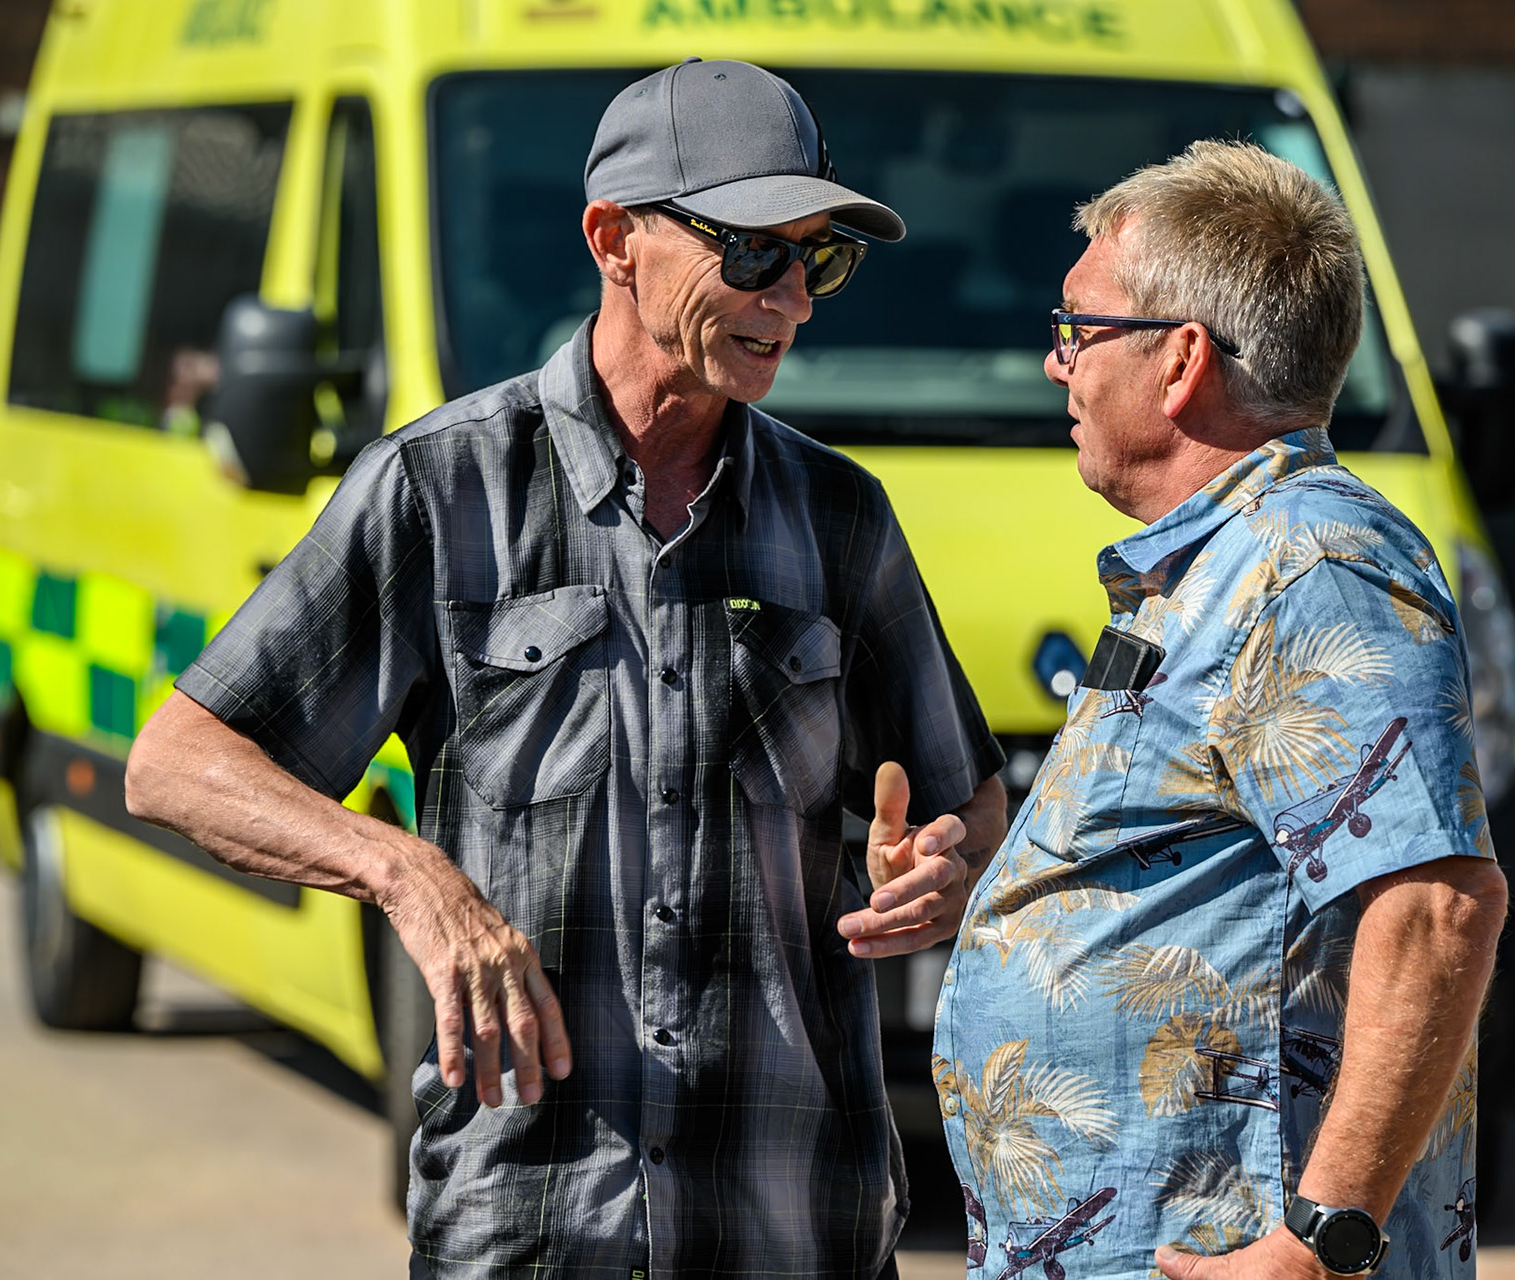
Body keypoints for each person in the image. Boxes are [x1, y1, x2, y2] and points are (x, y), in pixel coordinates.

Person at [125, 58, 1007, 1279]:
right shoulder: (439, 489)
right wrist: (408, 874)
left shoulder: (840, 519)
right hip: (531, 1235)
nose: (795, 298)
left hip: (795, 1231)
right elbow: (179, 763)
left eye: (821, 258)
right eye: (754, 251)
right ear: (614, 240)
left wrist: (943, 866)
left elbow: (969, 801)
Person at [932, 141, 1507, 1280]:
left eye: (1079, 329)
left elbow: (1439, 905)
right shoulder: (1232, 561)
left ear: (1182, 357)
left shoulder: (1314, 565)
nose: (1057, 365)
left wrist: (1316, 1245)